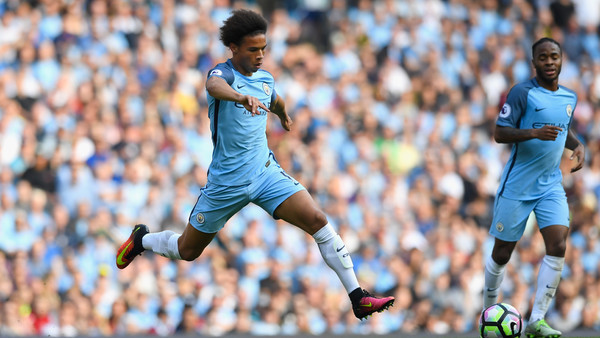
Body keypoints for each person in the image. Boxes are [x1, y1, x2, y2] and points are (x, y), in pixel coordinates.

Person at [115, 9, 394, 320]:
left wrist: (283, 114)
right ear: (234, 48)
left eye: (264, 48)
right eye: (253, 49)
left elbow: (274, 98)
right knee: (187, 251)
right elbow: (213, 88)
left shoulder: (264, 78)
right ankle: (142, 239)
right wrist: (238, 98)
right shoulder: (224, 75)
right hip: (226, 184)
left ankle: (358, 297)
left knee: (317, 219)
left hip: (264, 174)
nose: (260, 56)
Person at [482, 37, 585, 338]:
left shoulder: (569, 97)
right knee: (502, 253)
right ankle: (489, 312)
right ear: (534, 63)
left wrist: (577, 145)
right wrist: (532, 133)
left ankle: (536, 320)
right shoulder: (522, 93)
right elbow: (499, 133)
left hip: (550, 183)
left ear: (561, 60)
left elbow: (562, 129)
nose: (550, 62)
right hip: (518, 185)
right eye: (543, 57)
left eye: (554, 56)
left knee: (558, 245)